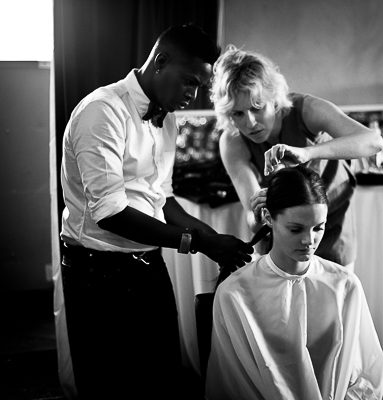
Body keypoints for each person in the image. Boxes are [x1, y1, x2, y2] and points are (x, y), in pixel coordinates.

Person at [59, 25, 253, 399]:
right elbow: (110, 212)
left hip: (147, 264)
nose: (192, 95)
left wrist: (212, 240)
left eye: (200, 87)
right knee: (109, 383)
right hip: (96, 270)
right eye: (188, 81)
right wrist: (193, 242)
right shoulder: (102, 111)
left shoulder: (167, 120)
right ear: (160, 62)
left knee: (160, 374)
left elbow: (161, 198)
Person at [206, 166, 383, 400]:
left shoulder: (345, 286)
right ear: (269, 218)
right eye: (296, 229)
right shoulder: (235, 293)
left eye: (318, 228)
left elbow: (367, 376)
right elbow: (231, 385)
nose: (309, 241)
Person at [210, 46, 383, 267]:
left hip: (328, 221)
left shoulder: (307, 110)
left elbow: (374, 141)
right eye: (238, 113)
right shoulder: (232, 141)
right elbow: (253, 220)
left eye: (257, 107)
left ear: (273, 99)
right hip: (280, 229)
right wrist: (256, 214)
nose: (250, 122)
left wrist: (307, 153)